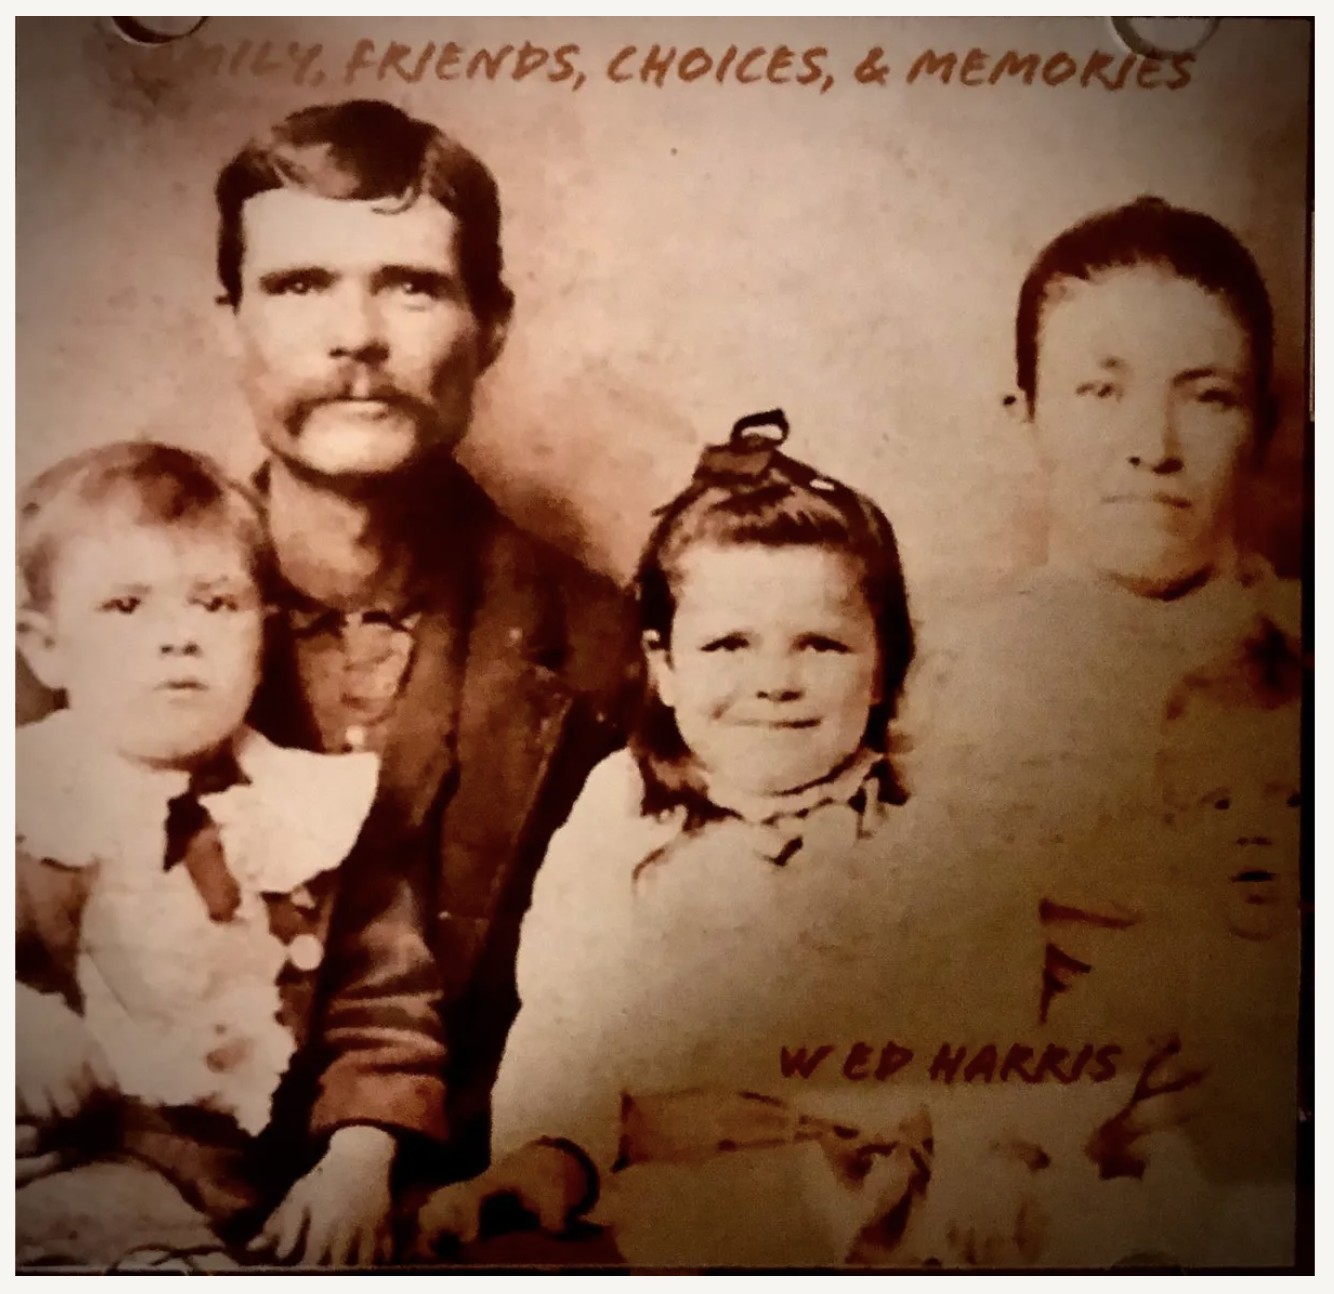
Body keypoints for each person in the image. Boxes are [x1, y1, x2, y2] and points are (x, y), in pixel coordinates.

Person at [16, 99, 639, 1262]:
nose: (356, 336)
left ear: (492, 325)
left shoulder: (604, 641)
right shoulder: (85, 612)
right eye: (300, 284)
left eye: (412, 286)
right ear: (229, 322)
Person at [409, 411, 1072, 1267]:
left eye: (820, 645)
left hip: (894, 1209)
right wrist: (551, 1154)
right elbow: (567, 1023)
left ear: (883, 667)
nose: (774, 682)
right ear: (665, 666)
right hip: (665, 1202)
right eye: (729, 644)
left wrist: (981, 1161)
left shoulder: (934, 832)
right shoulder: (625, 814)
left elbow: (994, 1035)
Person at [898, 196, 1306, 1267]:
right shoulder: (923, 674)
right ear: (1023, 413)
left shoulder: (1303, 656)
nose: (1151, 449)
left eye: (1205, 396)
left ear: (1264, 424)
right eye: (1100, 390)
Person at [15, 443, 381, 1267]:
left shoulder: (315, 808)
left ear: (265, 632)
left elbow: (381, 1004)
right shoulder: (30, 805)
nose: (179, 638)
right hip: (88, 1164)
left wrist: (362, 1153)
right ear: (44, 646)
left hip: (273, 1176)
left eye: (216, 604)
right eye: (125, 606)